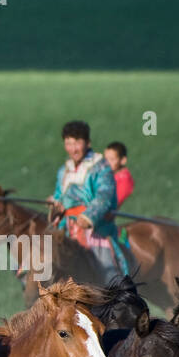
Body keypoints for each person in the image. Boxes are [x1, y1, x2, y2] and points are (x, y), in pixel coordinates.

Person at [47, 120, 126, 282]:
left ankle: (118, 299)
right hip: (66, 230)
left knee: (108, 276)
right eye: (68, 143)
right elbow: (59, 195)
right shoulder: (64, 171)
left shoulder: (101, 166)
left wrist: (88, 216)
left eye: (77, 142)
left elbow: (104, 195)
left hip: (95, 229)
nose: (73, 148)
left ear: (87, 143)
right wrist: (55, 202)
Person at [104, 141, 134, 207]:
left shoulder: (125, 181)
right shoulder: (109, 173)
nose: (107, 163)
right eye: (106, 159)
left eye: (112, 159)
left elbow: (112, 204)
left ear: (123, 160)